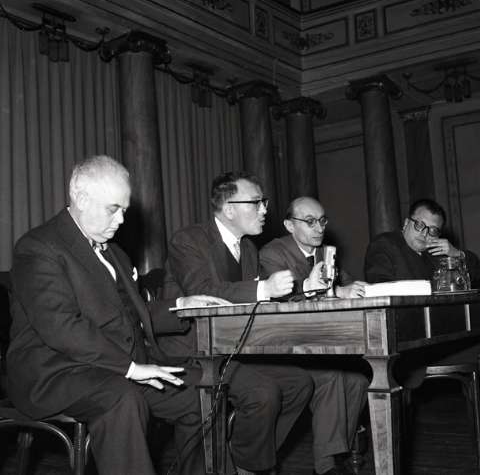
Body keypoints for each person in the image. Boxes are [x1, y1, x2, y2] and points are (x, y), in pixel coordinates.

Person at [7, 155, 228, 475]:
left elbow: (131, 314)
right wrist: (130, 368)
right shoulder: (39, 247)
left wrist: (182, 305)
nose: (122, 220)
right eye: (114, 209)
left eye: (124, 210)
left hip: (116, 366)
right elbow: (61, 327)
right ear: (81, 198)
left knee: (203, 394)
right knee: (123, 398)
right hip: (57, 373)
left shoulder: (115, 253)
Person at [162, 171, 314, 475]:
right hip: (193, 353)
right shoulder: (189, 240)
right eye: (256, 202)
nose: (265, 209)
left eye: (264, 202)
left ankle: (244, 461)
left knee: (299, 384)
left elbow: (257, 301)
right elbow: (203, 291)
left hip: (230, 351)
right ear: (229, 209)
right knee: (263, 393)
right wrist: (264, 288)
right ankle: (245, 463)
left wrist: (306, 287)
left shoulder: (248, 248)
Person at [259, 197, 369, 475]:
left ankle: (335, 455)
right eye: (309, 222)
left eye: (322, 220)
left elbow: (347, 285)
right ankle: (326, 466)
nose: (319, 228)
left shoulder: (325, 253)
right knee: (331, 376)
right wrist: (335, 292)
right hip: (282, 346)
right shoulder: (272, 253)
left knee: (356, 381)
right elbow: (281, 300)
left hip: (317, 343)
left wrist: (361, 289)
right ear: (289, 225)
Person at [364, 198, 480, 387]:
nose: (424, 234)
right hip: (402, 340)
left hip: (436, 334)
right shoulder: (385, 244)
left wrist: (456, 253)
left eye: (432, 230)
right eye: (419, 225)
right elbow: (380, 288)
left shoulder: (433, 253)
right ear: (406, 223)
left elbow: (476, 268)